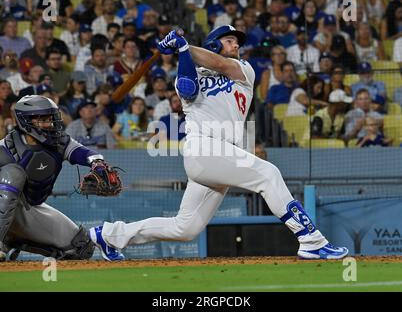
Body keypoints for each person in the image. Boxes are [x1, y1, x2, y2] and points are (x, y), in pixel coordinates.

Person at [89, 25, 349, 260]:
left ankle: (111, 235)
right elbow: (188, 89)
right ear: (213, 44)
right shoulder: (191, 71)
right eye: (228, 40)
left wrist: (183, 45)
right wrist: (183, 52)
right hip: (204, 148)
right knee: (268, 174)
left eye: (236, 41)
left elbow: (222, 65)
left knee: (184, 228)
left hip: (222, 155)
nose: (236, 44)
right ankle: (311, 240)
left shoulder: (244, 70)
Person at [0, 95, 122, 262]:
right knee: (13, 174)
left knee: (81, 248)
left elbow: (85, 153)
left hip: (30, 208)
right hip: (6, 204)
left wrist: (98, 164)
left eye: (50, 118)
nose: (49, 123)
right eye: (42, 119)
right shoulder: (4, 148)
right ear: (26, 121)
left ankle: (15, 239)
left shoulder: (59, 141)